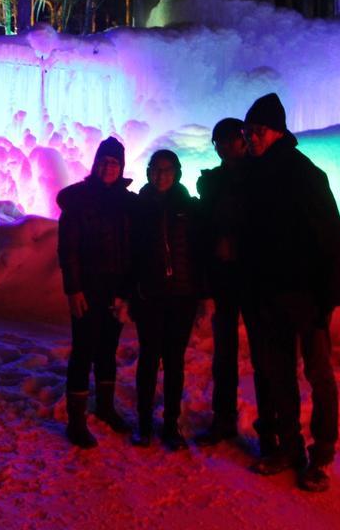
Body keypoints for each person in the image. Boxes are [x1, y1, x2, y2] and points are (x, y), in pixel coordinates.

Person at [241, 93, 340, 492]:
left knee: (318, 373)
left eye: (257, 130)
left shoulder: (305, 175)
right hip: (270, 295)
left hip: (307, 296)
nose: (251, 137)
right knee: (279, 374)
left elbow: (331, 239)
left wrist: (328, 298)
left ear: (277, 131)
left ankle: (322, 456)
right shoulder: (256, 174)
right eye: (249, 131)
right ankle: (289, 446)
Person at [124, 149, 206, 451]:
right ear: (148, 172)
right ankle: (144, 424)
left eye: (167, 170)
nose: (161, 175)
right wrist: (132, 292)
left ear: (177, 173)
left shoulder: (188, 207)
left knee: (174, 362)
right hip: (150, 296)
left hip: (182, 297)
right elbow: (130, 254)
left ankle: (171, 425)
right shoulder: (138, 206)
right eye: (156, 170)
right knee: (148, 360)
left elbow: (199, 252)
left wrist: (201, 292)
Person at [56, 136, 135, 448]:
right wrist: (73, 289)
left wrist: (126, 292)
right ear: (96, 162)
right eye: (104, 161)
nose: (108, 167)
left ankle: (104, 407)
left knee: (107, 348)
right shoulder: (79, 200)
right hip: (87, 287)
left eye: (114, 162)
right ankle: (75, 420)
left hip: (115, 288)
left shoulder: (128, 203)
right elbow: (68, 249)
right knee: (83, 349)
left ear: (121, 167)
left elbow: (133, 251)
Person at [194, 117, 253, 446]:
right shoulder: (213, 182)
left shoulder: (260, 177)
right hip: (224, 277)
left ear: (242, 141)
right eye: (220, 141)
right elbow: (204, 231)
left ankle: (271, 429)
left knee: (263, 356)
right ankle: (224, 419)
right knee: (224, 354)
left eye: (232, 139)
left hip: (255, 276)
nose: (226, 146)